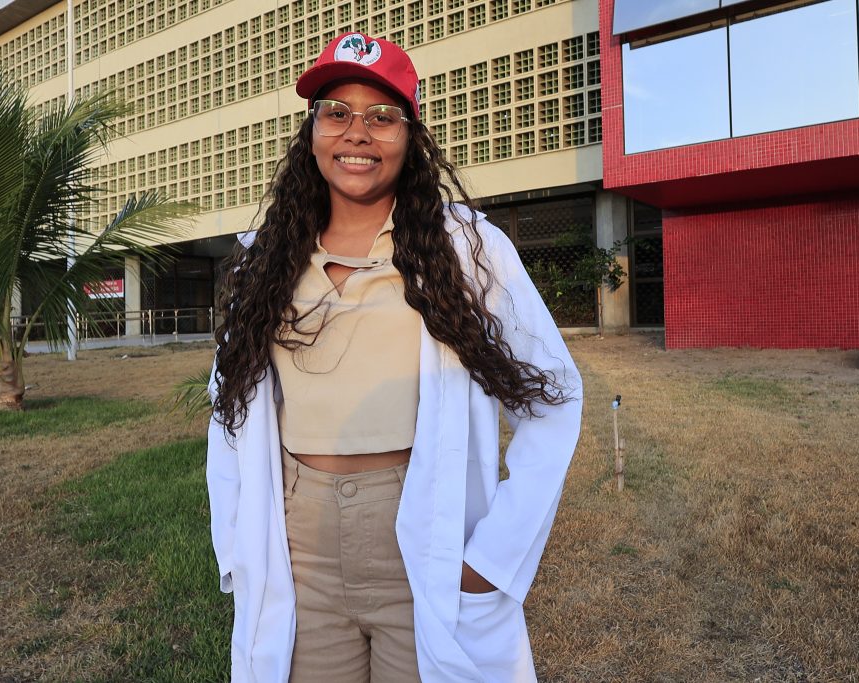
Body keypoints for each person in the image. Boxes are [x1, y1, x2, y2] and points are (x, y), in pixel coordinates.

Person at [207, 31, 583, 683]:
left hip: (421, 534)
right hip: (299, 542)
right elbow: (232, 410)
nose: (358, 133)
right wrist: (242, 540)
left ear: (411, 137)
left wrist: (489, 560)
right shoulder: (262, 257)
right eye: (337, 112)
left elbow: (552, 394)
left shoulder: (467, 250)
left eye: (382, 117)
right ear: (312, 130)